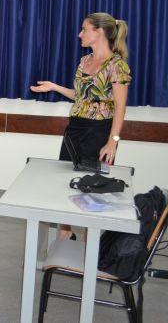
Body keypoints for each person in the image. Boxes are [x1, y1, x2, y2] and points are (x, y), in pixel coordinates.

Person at [31, 12, 131, 239]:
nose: (79, 34)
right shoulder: (84, 61)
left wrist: (112, 142)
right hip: (75, 129)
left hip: (99, 131)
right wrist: (54, 87)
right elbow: (81, 96)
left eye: (84, 29)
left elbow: (120, 107)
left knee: (92, 190)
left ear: (99, 32)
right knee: (65, 183)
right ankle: (65, 235)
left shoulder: (117, 65)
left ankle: (89, 243)